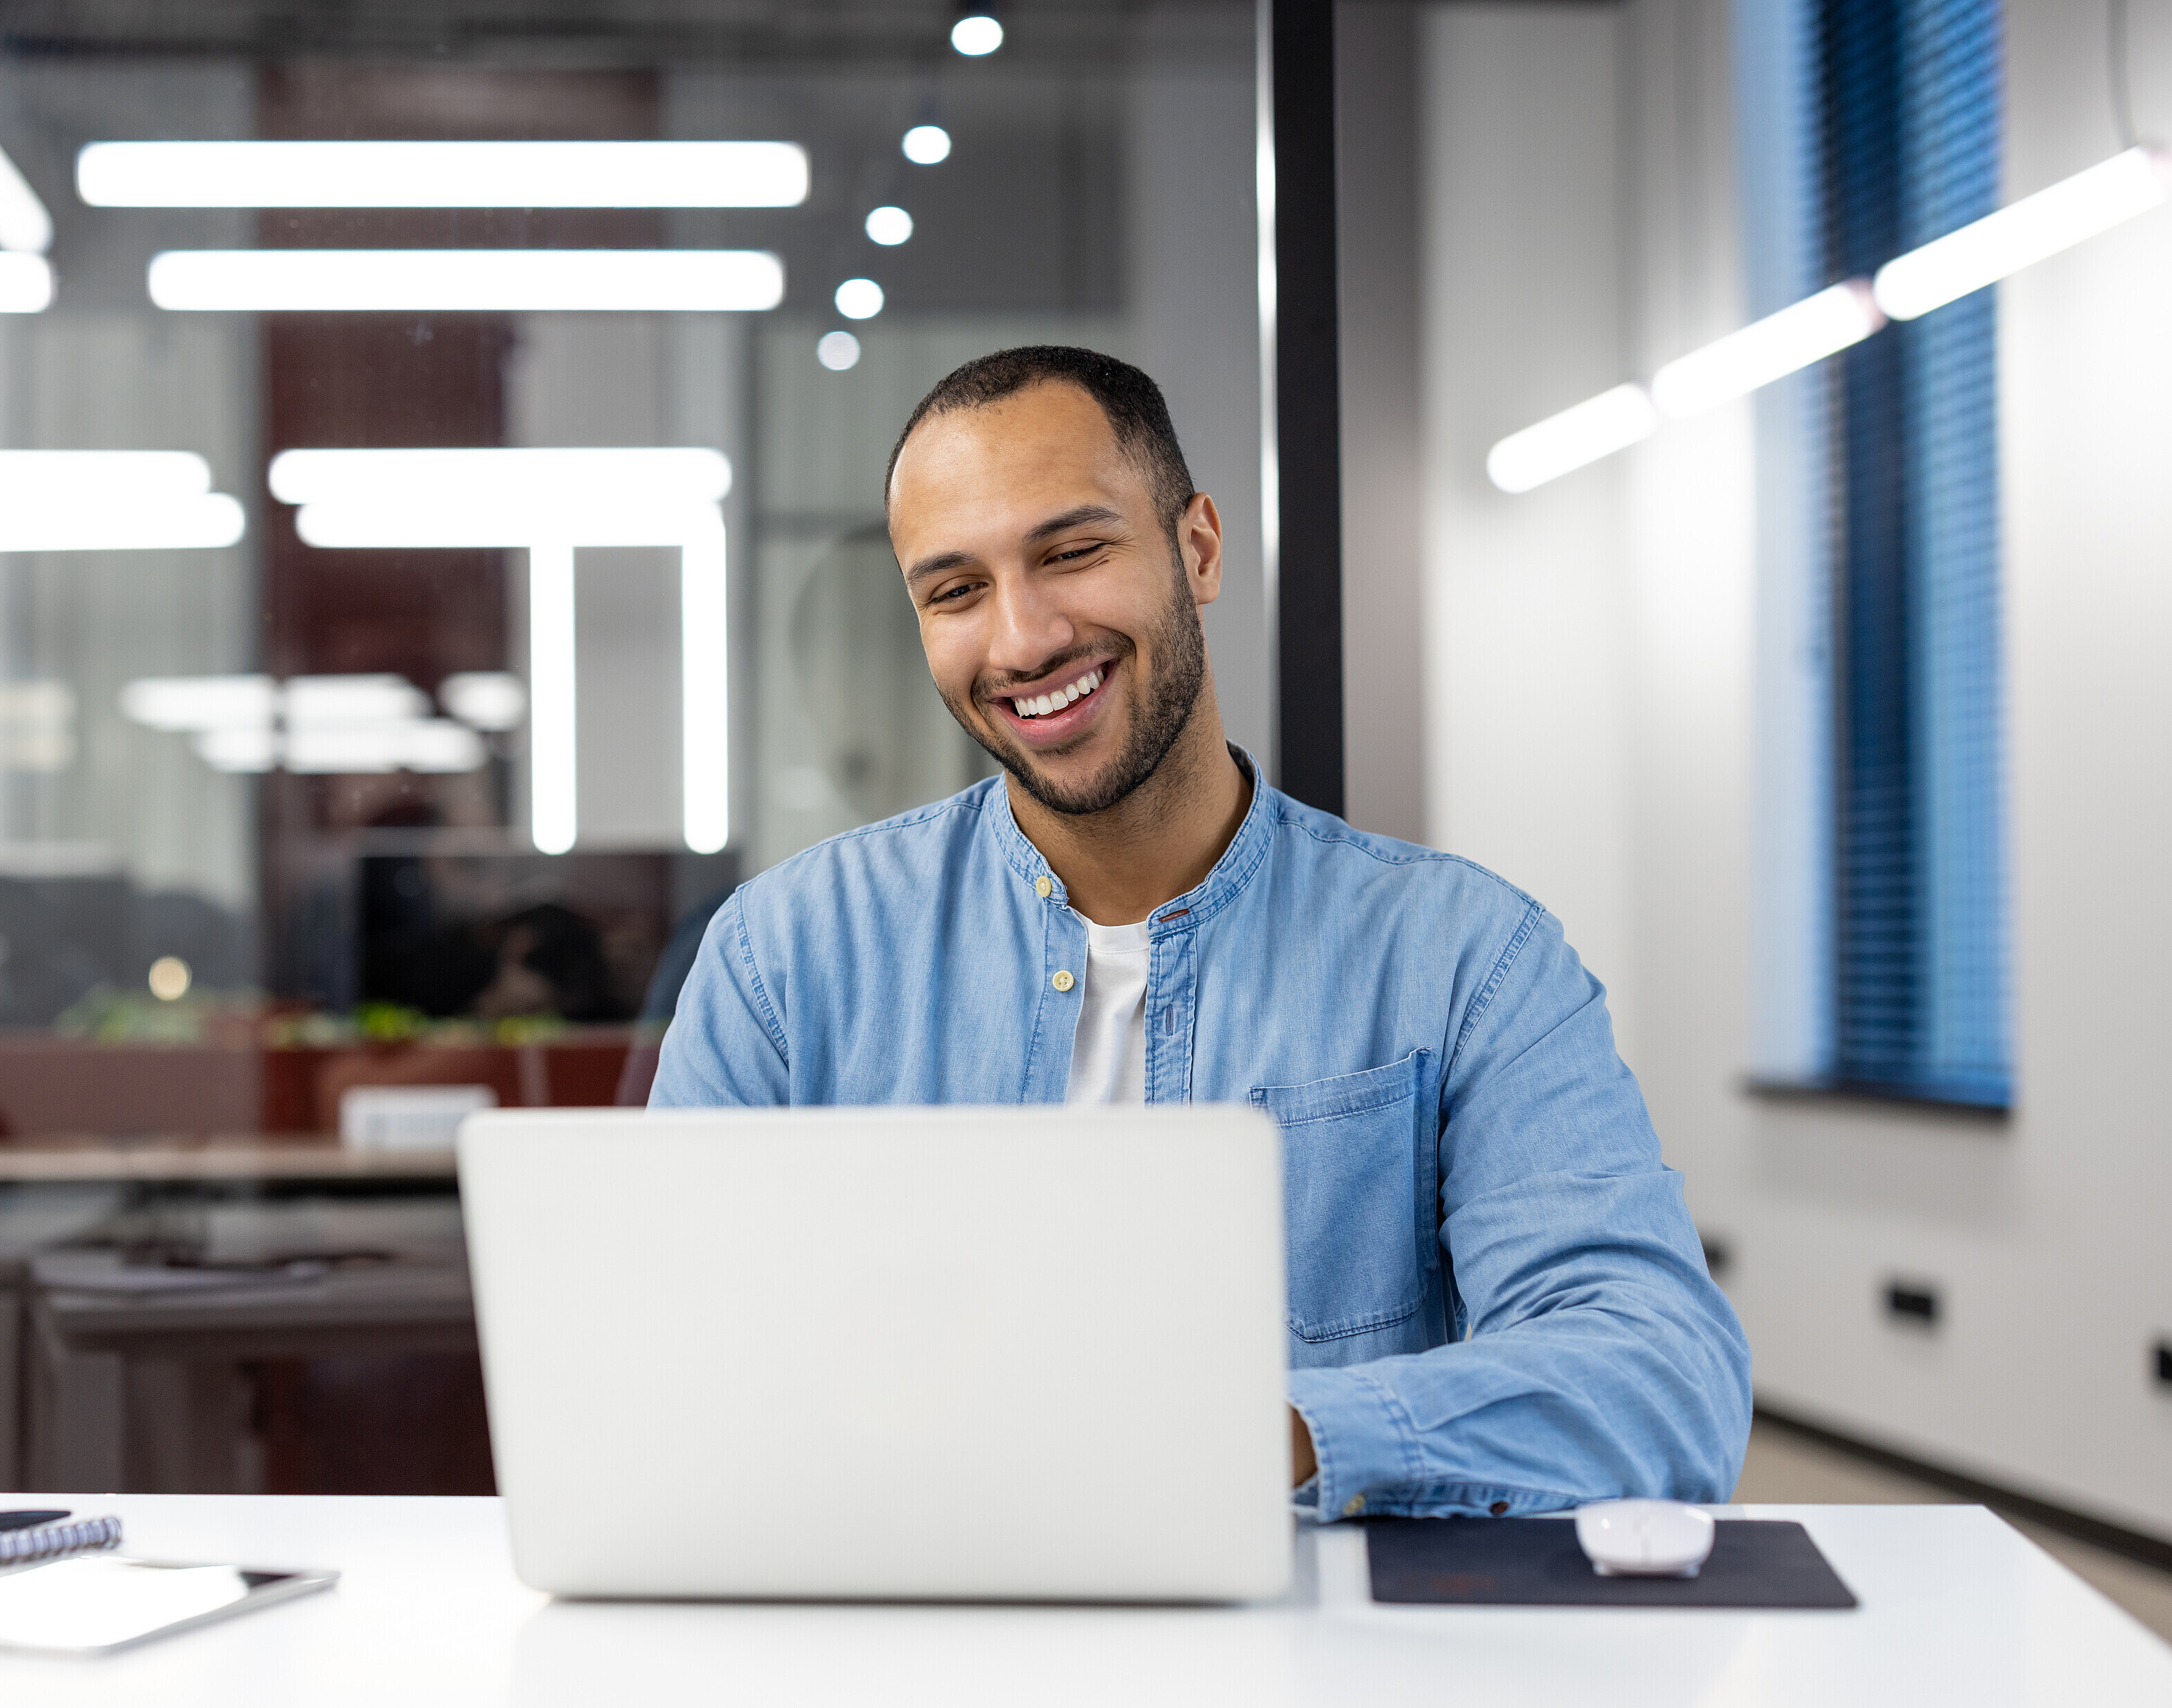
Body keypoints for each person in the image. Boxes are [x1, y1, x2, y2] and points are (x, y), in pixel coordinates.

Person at [650, 345, 1751, 1520]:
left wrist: (1258, 1438)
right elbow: (659, 1367)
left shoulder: (1463, 958)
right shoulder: (785, 958)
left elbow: (1659, 1379)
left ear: (1198, 548)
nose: (1019, 640)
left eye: (1071, 552)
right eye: (955, 590)